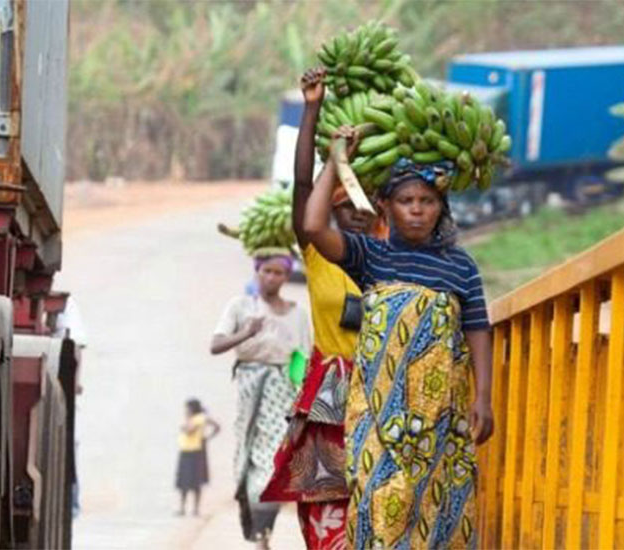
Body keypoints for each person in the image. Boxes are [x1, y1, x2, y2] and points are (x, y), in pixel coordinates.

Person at [304, 137, 494, 549]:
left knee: (440, 507)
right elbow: (314, 227)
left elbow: (478, 327)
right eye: (406, 199)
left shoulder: (460, 265)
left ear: (441, 207)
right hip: (378, 415)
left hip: (441, 417)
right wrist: (339, 161)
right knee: (377, 503)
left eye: (427, 200)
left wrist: (484, 397)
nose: (417, 209)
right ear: (385, 206)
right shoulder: (370, 256)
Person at [261, 68, 382, 550]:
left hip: (380, 389)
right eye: (344, 204)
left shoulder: (392, 257)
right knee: (326, 512)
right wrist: (312, 109)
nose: (355, 211)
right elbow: (299, 185)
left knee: (378, 506)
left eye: (365, 205)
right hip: (330, 397)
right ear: (330, 211)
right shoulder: (317, 255)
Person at [211, 251, 311, 549]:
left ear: (286, 276)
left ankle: (262, 533)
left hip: (282, 391)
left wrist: (302, 399)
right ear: (257, 272)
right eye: (266, 271)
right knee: (248, 456)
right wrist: (246, 332)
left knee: (274, 460)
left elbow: (301, 358)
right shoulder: (241, 307)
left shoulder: (297, 313)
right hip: (250, 385)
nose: (271, 277)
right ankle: (258, 531)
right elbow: (216, 344)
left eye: (278, 272)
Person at [175, 398, 220, 517]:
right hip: (186, 450)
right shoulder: (199, 418)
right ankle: (184, 508)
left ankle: (193, 508)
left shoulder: (199, 419)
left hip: (194, 452)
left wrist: (207, 437)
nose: (186, 410)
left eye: (187, 408)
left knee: (194, 482)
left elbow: (189, 431)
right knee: (184, 482)